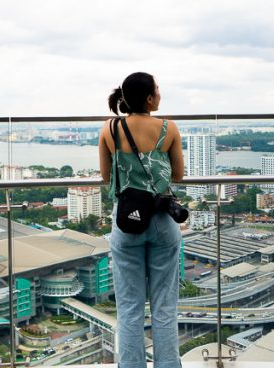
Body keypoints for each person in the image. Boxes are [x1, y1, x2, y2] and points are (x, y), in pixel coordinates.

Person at [99, 72, 184, 368]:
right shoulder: (167, 128)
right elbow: (178, 175)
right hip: (161, 219)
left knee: (129, 307)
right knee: (164, 306)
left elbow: (107, 177)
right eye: (157, 90)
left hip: (126, 221)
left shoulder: (110, 129)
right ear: (149, 98)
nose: (160, 94)